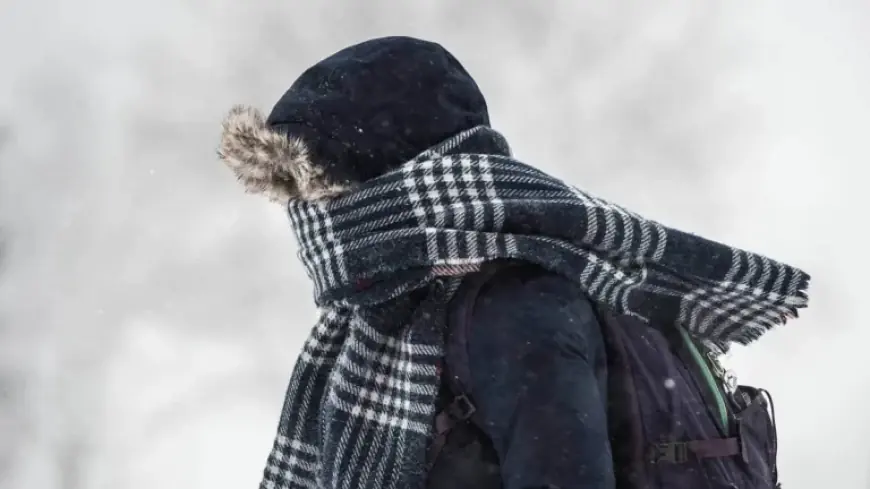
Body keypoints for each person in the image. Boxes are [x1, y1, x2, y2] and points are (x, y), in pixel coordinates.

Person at [218, 36, 809, 489]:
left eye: (322, 199)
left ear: (391, 190)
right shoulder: (407, 313)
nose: (312, 227)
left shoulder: (515, 311)